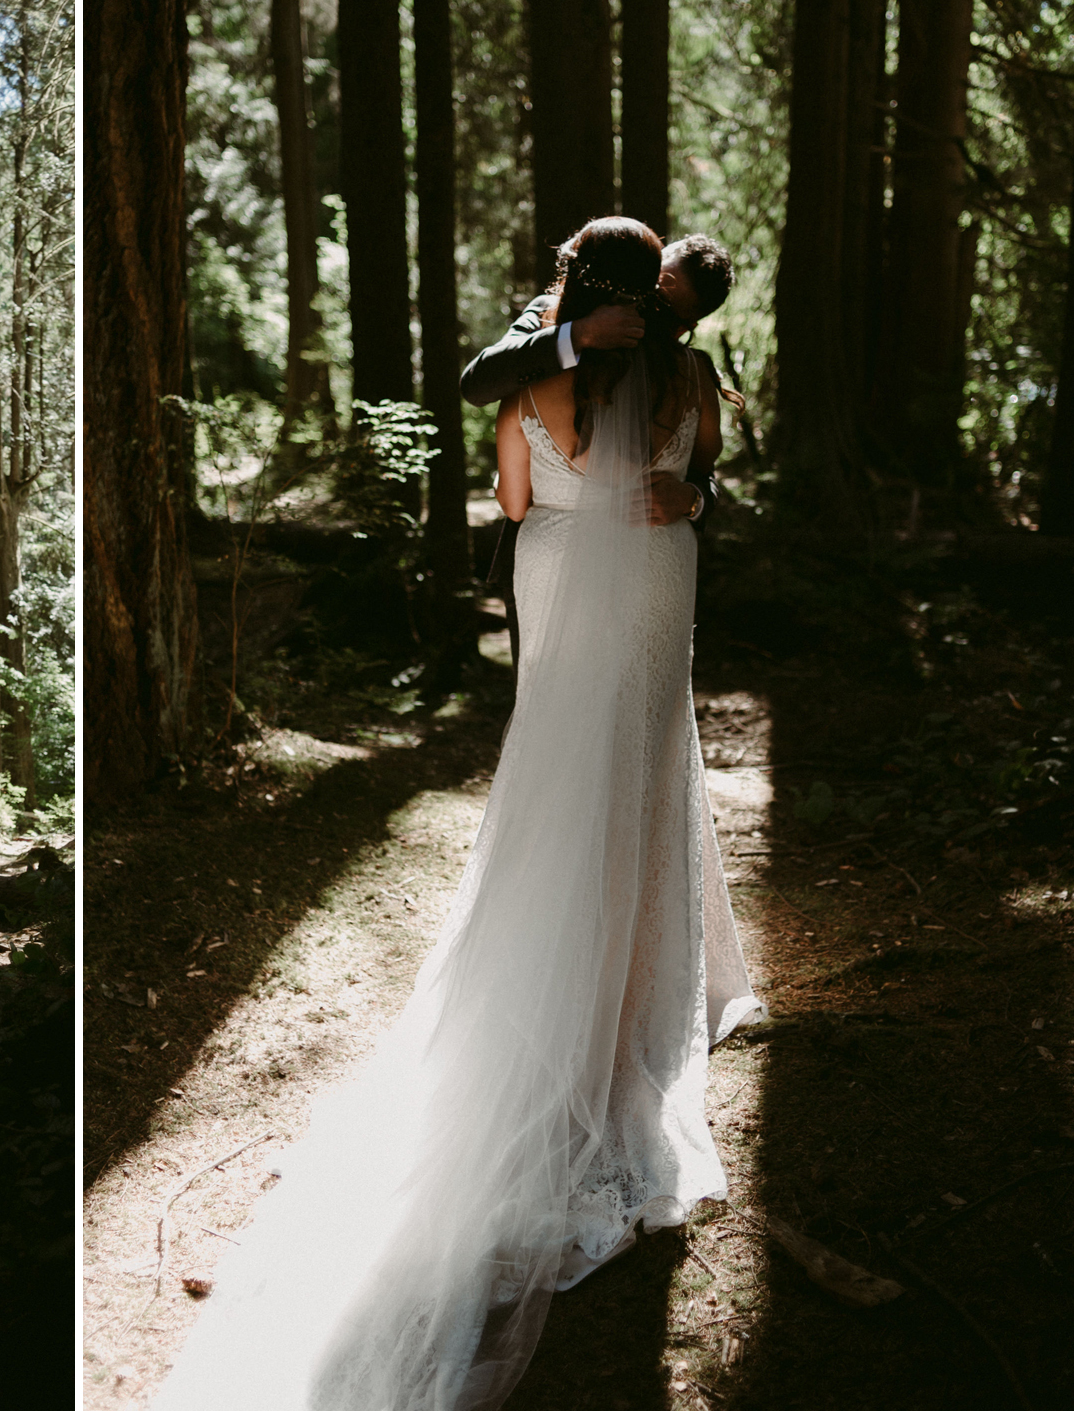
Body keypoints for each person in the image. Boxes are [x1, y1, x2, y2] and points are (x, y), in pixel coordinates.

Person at [150, 218, 765, 1411]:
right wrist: (677, 498)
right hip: (655, 580)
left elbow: (513, 496)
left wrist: (580, 464)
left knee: (556, 770)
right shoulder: (690, 376)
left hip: (561, 568)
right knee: (643, 763)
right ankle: (640, 993)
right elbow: (698, 481)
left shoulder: (530, 376)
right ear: (659, 297)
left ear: (570, 288)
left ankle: (560, 986)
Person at [463, 229, 736, 665]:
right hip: (545, 565)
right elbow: (477, 384)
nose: (648, 303)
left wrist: (694, 499)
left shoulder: (688, 371)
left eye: (667, 305)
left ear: (689, 323)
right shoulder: (549, 317)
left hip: (651, 568)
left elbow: (705, 469)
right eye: (653, 283)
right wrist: (579, 334)